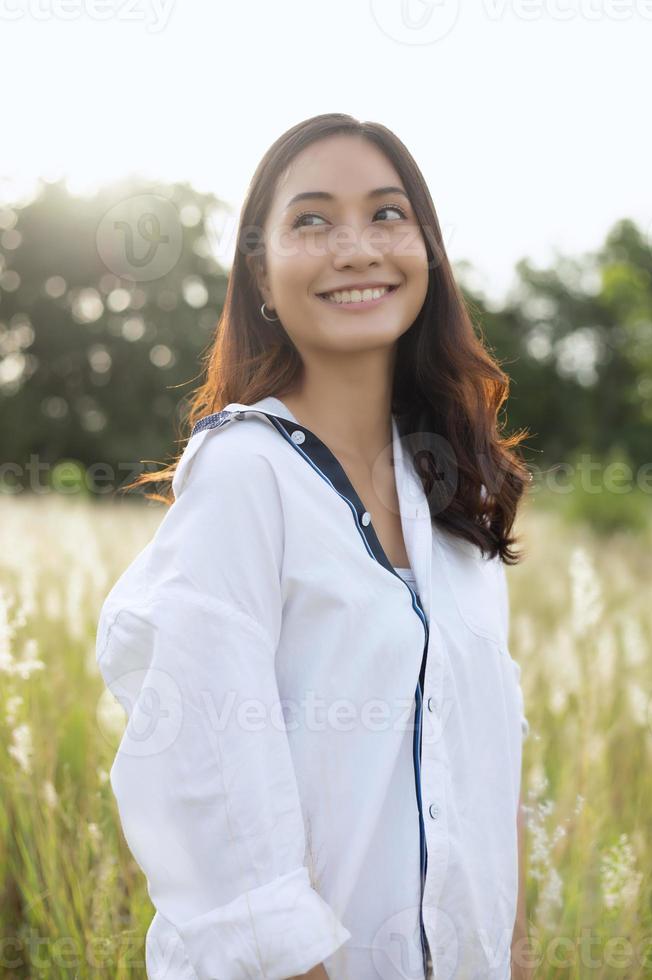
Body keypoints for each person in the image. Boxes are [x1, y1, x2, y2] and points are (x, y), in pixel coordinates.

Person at [96, 113, 533, 980]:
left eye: (385, 214)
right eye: (311, 220)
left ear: (428, 253)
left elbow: (489, 772)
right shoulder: (244, 475)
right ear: (260, 273)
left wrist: (515, 958)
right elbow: (204, 778)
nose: (356, 247)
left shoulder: (455, 499)